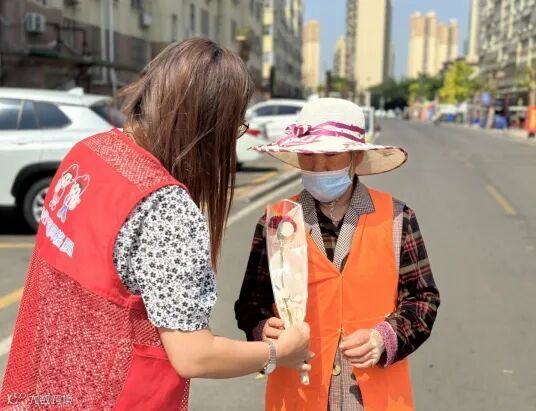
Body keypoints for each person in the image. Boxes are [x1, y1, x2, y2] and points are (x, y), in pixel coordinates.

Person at [0, 38, 312, 410]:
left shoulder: (89, 152)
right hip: (113, 396)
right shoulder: (164, 205)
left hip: (46, 385)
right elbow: (194, 355)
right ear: (207, 123)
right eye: (234, 126)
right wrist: (279, 352)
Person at [235, 98, 440, 410]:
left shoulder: (398, 218)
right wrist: (261, 328)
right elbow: (251, 302)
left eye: (330, 155)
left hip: (375, 398)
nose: (318, 167)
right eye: (308, 155)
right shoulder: (276, 221)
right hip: (298, 395)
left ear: (355, 157)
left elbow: (423, 299)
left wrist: (384, 338)